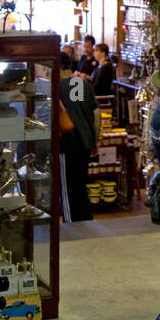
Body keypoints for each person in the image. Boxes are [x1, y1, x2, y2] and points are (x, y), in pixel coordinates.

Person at [58, 50, 100, 223]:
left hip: (67, 144)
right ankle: (85, 219)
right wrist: (94, 140)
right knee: (80, 185)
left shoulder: (56, 87)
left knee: (67, 188)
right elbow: (97, 115)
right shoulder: (83, 84)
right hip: (85, 143)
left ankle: (71, 225)